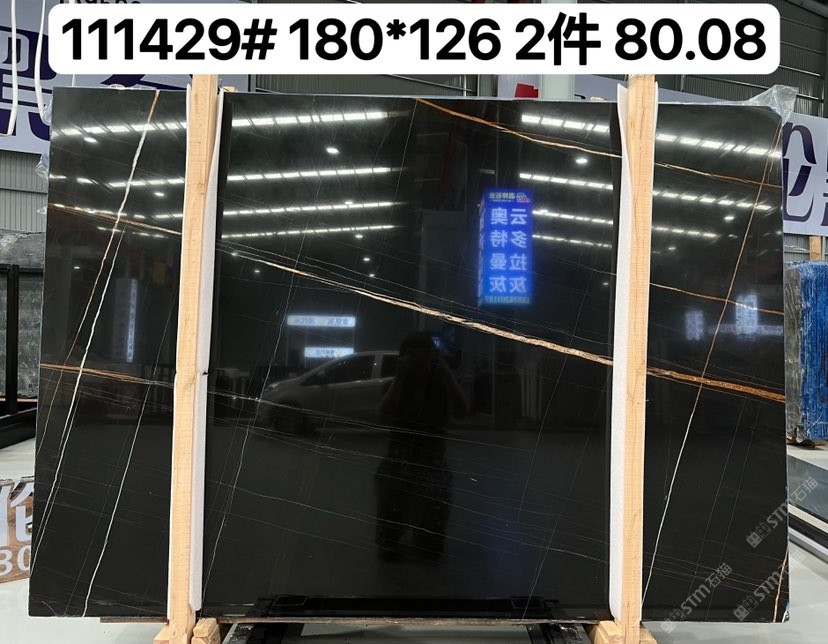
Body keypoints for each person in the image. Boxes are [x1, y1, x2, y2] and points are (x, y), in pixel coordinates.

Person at [374, 332, 466, 561]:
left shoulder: (440, 386)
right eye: (411, 356)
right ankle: (391, 537)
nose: (417, 363)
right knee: (391, 498)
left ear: (431, 358)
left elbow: (462, 411)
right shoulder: (395, 385)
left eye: (421, 356)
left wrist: (446, 372)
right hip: (400, 458)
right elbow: (383, 416)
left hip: (432, 459)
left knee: (431, 541)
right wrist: (399, 378)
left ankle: (426, 537)